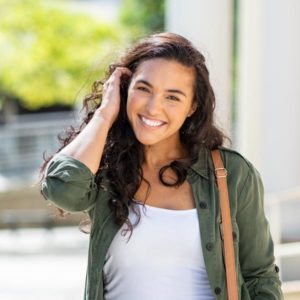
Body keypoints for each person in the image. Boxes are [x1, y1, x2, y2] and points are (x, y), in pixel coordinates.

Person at [39, 32, 283, 300]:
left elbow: (260, 276)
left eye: (173, 97)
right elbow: (62, 191)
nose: (154, 108)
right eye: (143, 89)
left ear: (193, 107)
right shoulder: (106, 168)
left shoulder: (231, 174)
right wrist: (105, 113)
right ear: (125, 89)